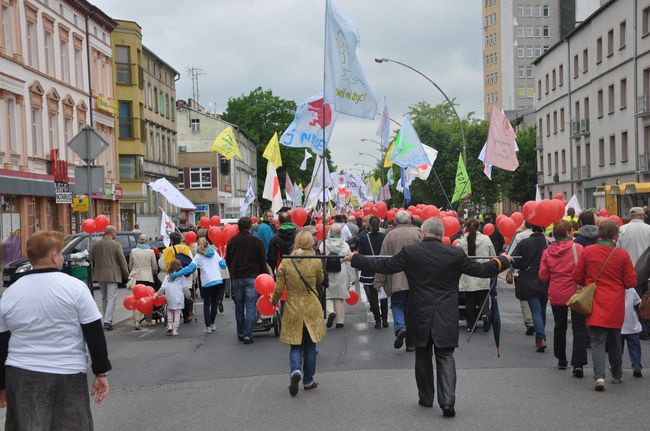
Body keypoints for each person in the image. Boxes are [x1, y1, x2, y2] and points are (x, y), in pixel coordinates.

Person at [346, 218, 511, 418]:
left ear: (423, 233)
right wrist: (503, 260)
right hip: (446, 313)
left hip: (420, 311)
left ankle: (426, 397)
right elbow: (483, 270)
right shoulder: (455, 254)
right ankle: (448, 402)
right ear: (441, 234)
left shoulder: (411, 253)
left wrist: (355, 259)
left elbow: (384, 264)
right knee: (445, 356)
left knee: (423, 356)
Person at [0, 231, 111, 429]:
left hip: (21, 373)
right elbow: (94, 332)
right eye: (60, 254)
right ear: (53, 256)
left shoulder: (10, 293)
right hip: (67, 372)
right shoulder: (75, 288)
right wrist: (100, 371)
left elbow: (2, 341)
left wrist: (1, 384)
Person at [573, 221, 637, 391]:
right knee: (615, 339)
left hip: (594, 300)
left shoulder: (588, 251)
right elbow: (631, 281)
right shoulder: (622, 255)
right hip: (615, 302)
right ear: (615, 235)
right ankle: (616, 374)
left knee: (596, 340)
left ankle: (599, 376)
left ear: (599, 234)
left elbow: (577, 276)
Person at [271, 231, 325, 396]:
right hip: (310, 306)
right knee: (310, 345)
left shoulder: (286, 262)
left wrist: (273, 301)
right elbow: (320, 281)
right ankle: (308, 380)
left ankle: (296, 370)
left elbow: (279, 287)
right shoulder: (315, 261)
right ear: (310, 244)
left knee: (295, 344)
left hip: (293, 306)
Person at [538, 221, 587, 376]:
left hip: (556, 292)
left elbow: (543, 276)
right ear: (567, 233)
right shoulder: (578, 249)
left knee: (560, 326)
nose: (573, 233)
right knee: (579, 328)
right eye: (572, 231)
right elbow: (584, 269)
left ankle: (561, 358)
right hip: (576, 292)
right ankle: (578, 363)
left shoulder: (547, 252)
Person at [374, 210, 420, 350]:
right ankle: (411, 343)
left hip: (396, 278)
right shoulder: (417, 234)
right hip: (415, 278)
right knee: (411, 309)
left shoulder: (390, 236)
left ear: (395, 222)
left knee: (397, 305)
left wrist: (379, 281)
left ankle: (400, 327)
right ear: (410, 221)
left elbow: (383, 260)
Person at [171, 238, 227, 334]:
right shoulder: (214, 252)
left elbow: (189, 269)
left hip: (207, 282)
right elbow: (223, 265)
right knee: (214, 303)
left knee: (206, 304)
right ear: (208, 244)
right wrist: (223, 260)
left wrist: (176, 274)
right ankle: (212, 324)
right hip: (217, 280)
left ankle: (208, 327)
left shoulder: (198, 256)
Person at [226, 217, 268, 344]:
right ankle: (248, 335)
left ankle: (241, 332)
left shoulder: (232, 241)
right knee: (250, 305)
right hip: (252, 277)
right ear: (250, 226)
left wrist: (232, 272)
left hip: (237, 277)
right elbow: (262, 260)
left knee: (239, 306)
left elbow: (228, 259)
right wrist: (264, 275)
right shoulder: (256, 241)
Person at [511, 224, 549, 352]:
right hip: (545, 279)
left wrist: (518, 266)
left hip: (529, 279)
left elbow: (514, 260)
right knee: (542, 309)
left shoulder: (524, 242)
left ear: (532, 229)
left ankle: (540, 337)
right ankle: (541, 334)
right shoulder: (547, 243)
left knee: (536, 310)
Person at [456, 218, 495, 332]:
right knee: (484, 298)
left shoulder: (462, 241)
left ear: (466, 228)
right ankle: (485, 314)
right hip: (484, 272)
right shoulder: (486, 239)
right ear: (479, 227)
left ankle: (471, 324)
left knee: (470, 301)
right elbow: (493, 256)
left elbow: (457, 256)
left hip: (468, 275)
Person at [89, 225, 129, 331]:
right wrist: (126, 275)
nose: (116, 234)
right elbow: (122, 261)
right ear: (111, 233)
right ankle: (107, 320)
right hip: (112, 275)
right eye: (115, 232)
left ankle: (106, 319)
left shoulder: (96, 244)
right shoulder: (116, 245)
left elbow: (91, 257)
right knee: (111, 298)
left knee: (104, 297)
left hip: (100, 275)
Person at [321, 223, 355, 329]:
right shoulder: (345, 245)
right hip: (341, 271)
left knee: (328, 295)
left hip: (328, 271)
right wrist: (352, 277)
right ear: (340, 233)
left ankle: (331, 311)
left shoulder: (324, 244)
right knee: (339, 297)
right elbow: (349, 262)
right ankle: (339, 321)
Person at [357, 216, 388, 329]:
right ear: (379, 223)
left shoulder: (364, 238)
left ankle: (377, 320)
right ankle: (385, 319)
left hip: (369, 268)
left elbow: (361, 254)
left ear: (369, 225)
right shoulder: (384, 237)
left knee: (373, 297)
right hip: (382, 268)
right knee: (383, 295)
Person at [507, 222, 535, 336]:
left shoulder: (519, 236)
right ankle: (536, 319)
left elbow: (511, 255)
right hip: (536, 271)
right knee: (535, 296)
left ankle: (529, 322)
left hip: (521, 271)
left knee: (524, 298)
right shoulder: (542, 237)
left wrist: (510, 269)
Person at [161, 232, 194, 323]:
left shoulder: (167, 251)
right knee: (186, 293)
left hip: (172, 276)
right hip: (185, 275)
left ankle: (173, 314)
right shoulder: (186, 248)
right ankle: (187, 314)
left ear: (171, 241)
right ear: (180, 240)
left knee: (174, 294)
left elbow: (162, 265)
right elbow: (191, 261)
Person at [128, 234, 159, 330]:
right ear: (147, 241)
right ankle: (149, 321)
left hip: (136, 278)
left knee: (137, 300)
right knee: (148, 300)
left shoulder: (133, 251)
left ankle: (137, 322)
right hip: (148, 278)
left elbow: (130, 265)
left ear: (138, 241)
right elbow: (154, 267)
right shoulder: (151, 252)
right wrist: (154, 272)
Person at [155, 259, 186, 336]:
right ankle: (175, 329)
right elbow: (185, 288)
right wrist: (189, 296)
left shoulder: (167, 276)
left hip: (169, 297)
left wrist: (157, 295)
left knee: (170, 312)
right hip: (178, 298)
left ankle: (169, 326)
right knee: (177, 313)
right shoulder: (181, 276)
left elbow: (163, 288)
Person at [621, 288, 643, 378]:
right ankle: (636, 364)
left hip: (618, 324)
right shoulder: (632, 290)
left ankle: (615, 366)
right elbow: (638, 304)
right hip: (632, 323)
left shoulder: (613, 287)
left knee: (617, 348)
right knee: (634, 347)